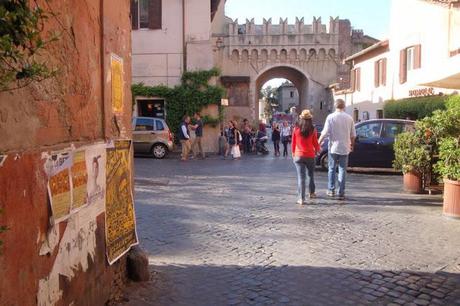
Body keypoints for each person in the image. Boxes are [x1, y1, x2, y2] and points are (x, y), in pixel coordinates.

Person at [318, 99, 356, 201]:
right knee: (342, 170)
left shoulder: (330, 117)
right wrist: (352, 145)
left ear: (335, 106)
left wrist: (318, 143)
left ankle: (331, 190)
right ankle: (341, 192)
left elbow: (324, 132)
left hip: (333, 147)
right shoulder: (349, 118)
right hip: (345, 147)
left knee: (331, 168)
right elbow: (353, 135)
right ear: (344, 106)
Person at [291, 110, 321, 205]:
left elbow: (293, 143)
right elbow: (315, 143)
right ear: (310, 119)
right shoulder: (313, 129)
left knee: (301, 178)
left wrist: (293, 153)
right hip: (310, 155)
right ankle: (311, 193)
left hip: (298, 155)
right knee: (311, 175)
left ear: (301, 118)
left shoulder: (296, 129)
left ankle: (301, 199)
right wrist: (318, 150)